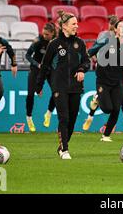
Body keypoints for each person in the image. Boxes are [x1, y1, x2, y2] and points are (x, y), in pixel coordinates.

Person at [36, 11, 90, 159]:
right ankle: (65, 150)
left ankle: (61, 146)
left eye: (77, 23)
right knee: (64, 118)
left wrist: (81, 69)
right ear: (64, 26)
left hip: (76, 87)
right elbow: (45, 66)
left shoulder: (80, 43)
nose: (76, 26)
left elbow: (87, 61)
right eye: (73, 24)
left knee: (72, 120)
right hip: (58, 86)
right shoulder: (54, 44)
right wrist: (39, 85)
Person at [82, 15, 123, 134]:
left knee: (122, 101)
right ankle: (91, 116)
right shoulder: (104, 36)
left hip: (119, 73)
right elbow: (95, 48)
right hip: (105, 71)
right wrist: (96, 59)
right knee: (110, 100)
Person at [25, 22, 57, 132]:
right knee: (30, 94)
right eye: (43, 34)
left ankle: (48, 113)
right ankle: (29, 117)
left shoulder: (56, 42)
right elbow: (27, 55)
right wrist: (37, 64)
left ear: (52, 33)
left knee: (56, 91)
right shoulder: (37, 41)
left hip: (49, 70)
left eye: (47, 34)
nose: (44, 36)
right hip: (36, 69)